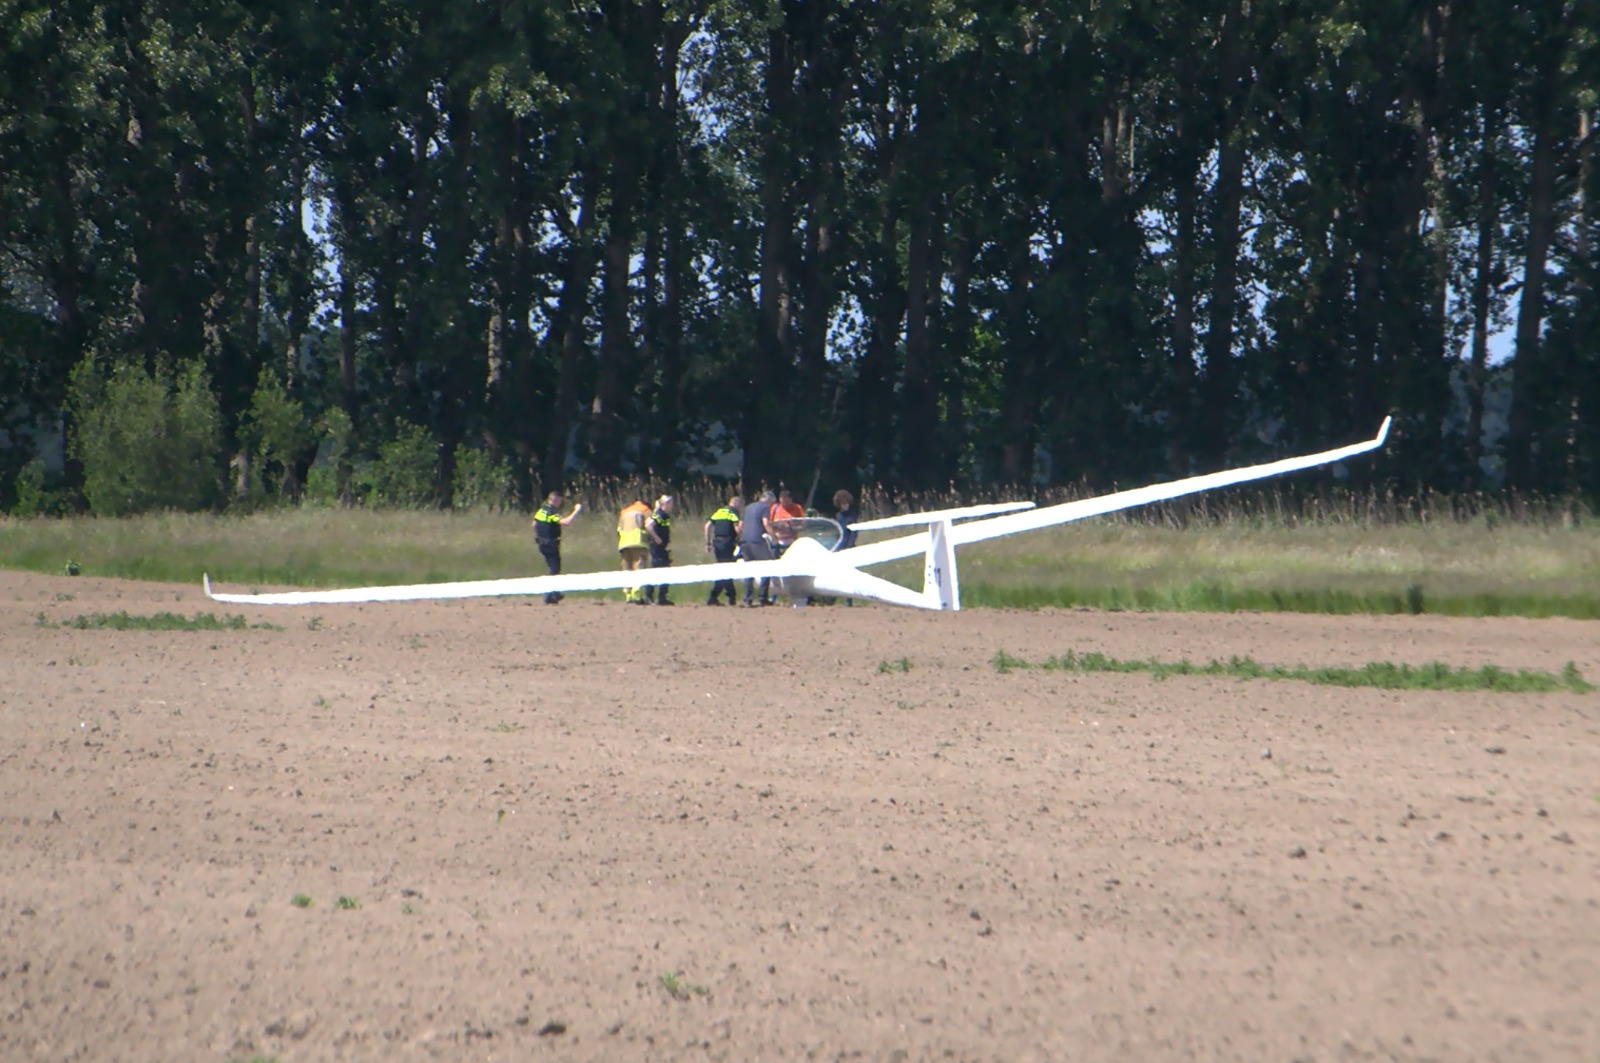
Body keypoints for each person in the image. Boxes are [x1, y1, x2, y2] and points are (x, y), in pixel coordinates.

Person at [531, 490, 582, 603]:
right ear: (555, 500)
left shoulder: (541, 510)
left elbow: (534, 525)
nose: (560, 503)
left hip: (541, 543)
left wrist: (539, 535)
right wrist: (576, 511)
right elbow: (566, 522)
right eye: (559, 501)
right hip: (551, 544)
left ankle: (554, 593)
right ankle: (550, 595)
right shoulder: (551, 512)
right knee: (555, 568)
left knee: (552, 567)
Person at [703, 495, 742, 605]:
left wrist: (708, 542)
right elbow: (737, 529)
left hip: (717, 543)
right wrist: (741, 539)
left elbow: (707, 526)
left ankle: (718, 596)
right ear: (737, 504)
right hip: (728, 543)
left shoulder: (719, 512)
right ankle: (728, 597)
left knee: (723, 569)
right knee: (727, 570)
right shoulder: (733, 512)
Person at [739, 490, 776, 606]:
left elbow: (740, 526)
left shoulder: (748, 508)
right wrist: (774, 537)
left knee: (749, 570)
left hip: (745, 541)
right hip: (757, 541)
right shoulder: (765, 508)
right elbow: (766, 523)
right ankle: (762, 597)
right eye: (772, 503)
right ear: (768, 500)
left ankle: (747, 599)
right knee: (767, 567)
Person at [642, 494, 676, 605]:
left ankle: (662, 597)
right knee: (656, 570)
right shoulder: (659, 515)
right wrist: (656, 538)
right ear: (665, 504)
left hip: (662, 547)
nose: (672, 506)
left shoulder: (665, 516)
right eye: (670, 504)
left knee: (665, 570)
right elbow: (648, 525)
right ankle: (649, 596)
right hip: (657, 548)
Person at [617, 499, 652, 603]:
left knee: (626, 568)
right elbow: (650, 525)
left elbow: (619, 529)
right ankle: (636, 594)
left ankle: (628, 594)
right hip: (638, 542)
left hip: (623, 543)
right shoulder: (645, 510)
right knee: (638, 567)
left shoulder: (624, 511)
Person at [764, 488, 805, 556]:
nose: (784, 504)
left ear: (790, 499)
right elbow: (769, 524)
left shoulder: (797, 508)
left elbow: (803, 525)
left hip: (792, 541)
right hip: (778, 541)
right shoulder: (775, 508)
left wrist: (790, 528)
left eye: (786, 502)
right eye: (782, 501)